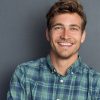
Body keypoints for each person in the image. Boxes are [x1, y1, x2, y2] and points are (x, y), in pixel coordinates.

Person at [7, 0, 100, 99]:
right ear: (48, 34)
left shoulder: (96, 83)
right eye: (58, 27)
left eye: (73, 28)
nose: (65, 36)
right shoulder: (24, 74)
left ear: (83, 36)